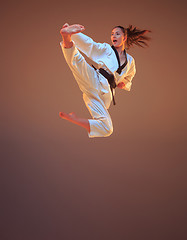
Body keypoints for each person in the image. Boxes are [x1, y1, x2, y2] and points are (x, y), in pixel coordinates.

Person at [59, 23, 150, 138]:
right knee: (76, 62)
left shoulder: (131, 61)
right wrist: (75, 35)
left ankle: (75, 120)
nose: (114, 36)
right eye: (112, 34)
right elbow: (90, 46)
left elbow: (128, 78)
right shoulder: (107, 50)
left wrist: (124, 83)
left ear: (124, 38)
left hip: (104, 96)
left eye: (117, 34)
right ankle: (67, 35)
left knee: (107, 128)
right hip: (97, 79)